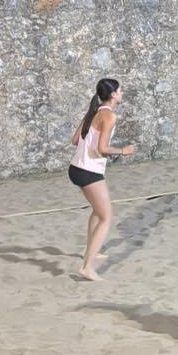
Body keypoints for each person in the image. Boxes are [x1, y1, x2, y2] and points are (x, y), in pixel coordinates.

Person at [69, 78, 136, 280]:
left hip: (76, 168)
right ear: (113, 95)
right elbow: (103, 148)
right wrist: (123, 151)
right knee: (106, 217)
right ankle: (87, 267)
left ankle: (90, 250)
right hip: (88, 172)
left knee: (97, 212)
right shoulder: (109, 116)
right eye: (120, 91)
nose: (122, 93)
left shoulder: (93, 111)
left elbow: (75, 140)